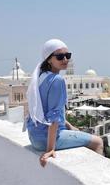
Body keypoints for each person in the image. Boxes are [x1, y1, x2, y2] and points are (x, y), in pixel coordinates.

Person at [26, 39, 103, 167]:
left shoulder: (41, 77)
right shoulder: (57, 80)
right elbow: (54, 117)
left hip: (34, 136)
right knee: (98, 142)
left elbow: (47, 109)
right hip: (45, 139)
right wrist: (50, 148)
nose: (65, 60)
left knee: (79, 133)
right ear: (49, 59)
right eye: (60, 57)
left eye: (68, 56)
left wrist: (69, 125)